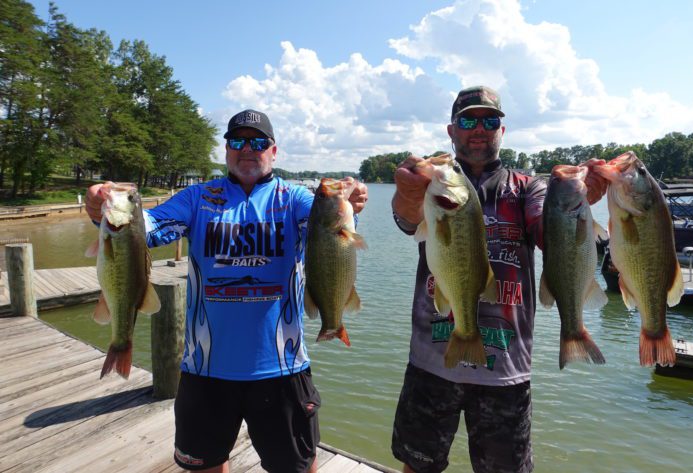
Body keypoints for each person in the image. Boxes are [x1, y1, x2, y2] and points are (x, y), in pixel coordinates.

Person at [85, 109, 368, 473]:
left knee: (296, 467)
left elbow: (329, 228)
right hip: (206, 369)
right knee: (205, 466)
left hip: (281, 368)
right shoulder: (197, 198)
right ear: (226, 149)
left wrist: (351, 200)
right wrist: (102, 210)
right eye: (237, 141)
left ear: (274, 150)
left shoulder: (295, 198)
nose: (247, 149)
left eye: (257, 141)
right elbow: (149, 229)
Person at [389, 86, 607, 473]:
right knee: (417, 465)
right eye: (468, 120)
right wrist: (406, 191)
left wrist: (576, 205)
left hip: (505, 367)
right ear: (451, 130)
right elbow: (407, 217)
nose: (479, 129)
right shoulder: (428, 186)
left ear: (502, 131)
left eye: (489, 121)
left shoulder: (528, 188)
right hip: (431, 360)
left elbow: (548, 234)